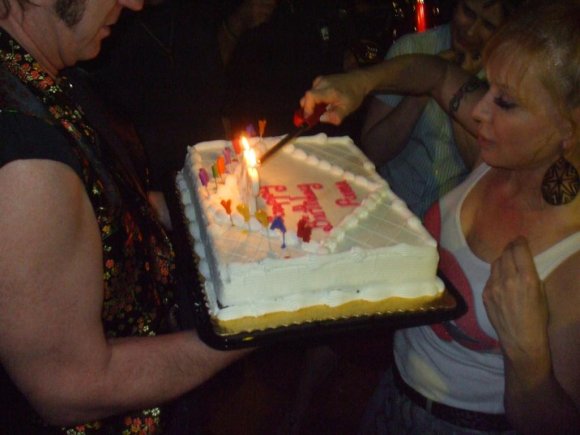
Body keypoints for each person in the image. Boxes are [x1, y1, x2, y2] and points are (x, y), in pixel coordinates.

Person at [301, 0, 580, 432]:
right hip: (393, 394)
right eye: (486, 88)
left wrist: (530, 362)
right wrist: (360, 82)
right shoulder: (501, 153)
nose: (480, 110)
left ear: (570, 128)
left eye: (505, 101)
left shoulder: (572, 257)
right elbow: (436, 74)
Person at [0, 1, 249, 433]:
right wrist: (254, 326)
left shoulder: (44, 73)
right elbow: (70, 388)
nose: (136, 3)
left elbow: (104, 216)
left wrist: (209, 205)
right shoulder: (23, 166)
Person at [361, 0, 521, 219]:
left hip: (450, 222)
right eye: (468, 12)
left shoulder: (505, 80)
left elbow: (484, 174)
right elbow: (373, 151)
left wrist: (456, 87)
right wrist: (426, 86)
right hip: (388, 209)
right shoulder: (412, 49)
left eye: (488, 25)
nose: (471, 30)